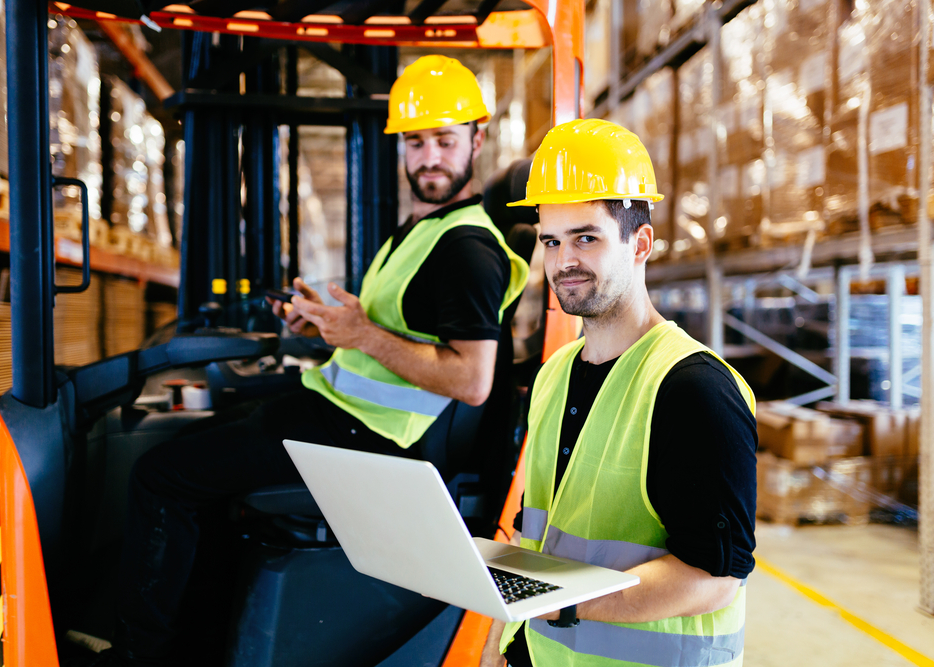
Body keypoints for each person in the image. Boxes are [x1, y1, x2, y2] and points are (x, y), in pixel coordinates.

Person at [93, 55, 529, 667]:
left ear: (476, 140)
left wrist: (358, 332)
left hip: (373, 439)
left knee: (160, 476)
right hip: (343, 412)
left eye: (445, 141)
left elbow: (472, 380)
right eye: (416, 142)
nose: (429, 157)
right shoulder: (423, 231)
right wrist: (327, 325)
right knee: (200, 463)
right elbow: (387, 339)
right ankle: (195, 644)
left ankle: (139, 657)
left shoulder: (468, 249)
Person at [479, 119, 757, 667]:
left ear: (641, 244)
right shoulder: (554, 375)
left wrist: (568, 603)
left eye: (587, 237)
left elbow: (714, 578)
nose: (564, 263)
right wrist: (498, 642)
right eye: (551, 242)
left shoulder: (694, 390)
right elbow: (537, 541)